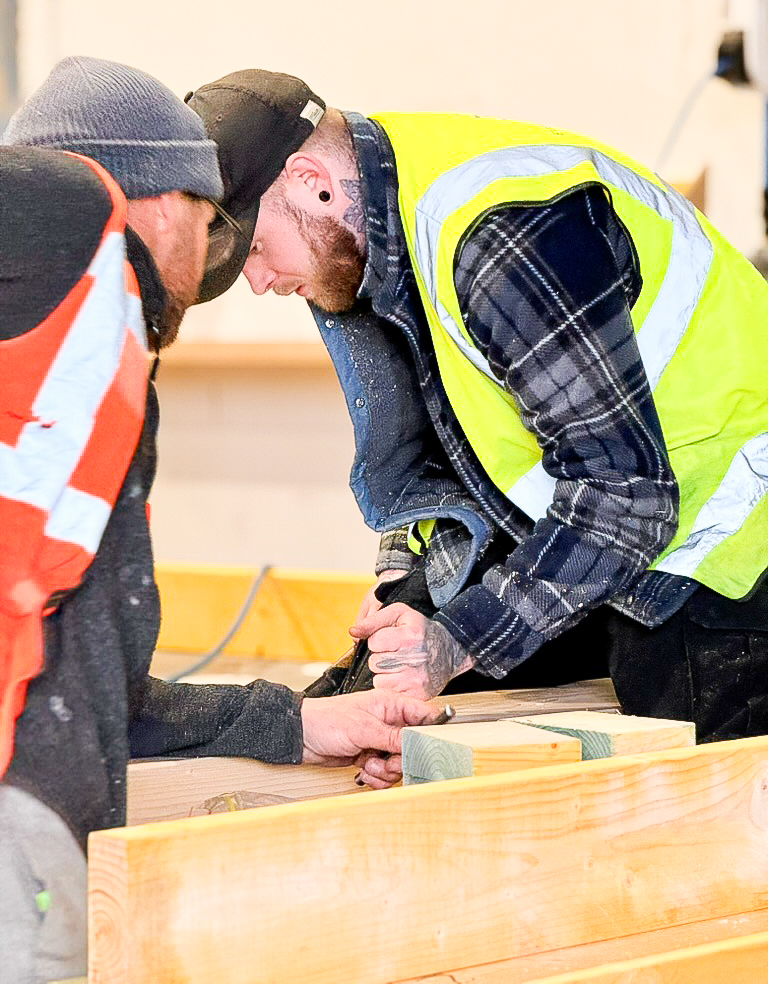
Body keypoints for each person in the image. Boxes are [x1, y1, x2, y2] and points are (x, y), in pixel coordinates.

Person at [0, 57, 437, 984]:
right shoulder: (91, 259)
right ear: (163, 204)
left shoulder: (45, 366)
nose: (218, 265)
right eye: (209, 223)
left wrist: (296, 726)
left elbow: (98, 694)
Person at [186, 68, 768, 742]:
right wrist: (406, 580)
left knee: (674, 773)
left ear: (314, 181)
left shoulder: (503, 240)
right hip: (604, 518)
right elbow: (449, 433)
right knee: (371, 714)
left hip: (723, 530)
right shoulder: (387, 222)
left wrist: (454, 641)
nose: (257, 282)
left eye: (256, 249)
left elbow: (627, 497)